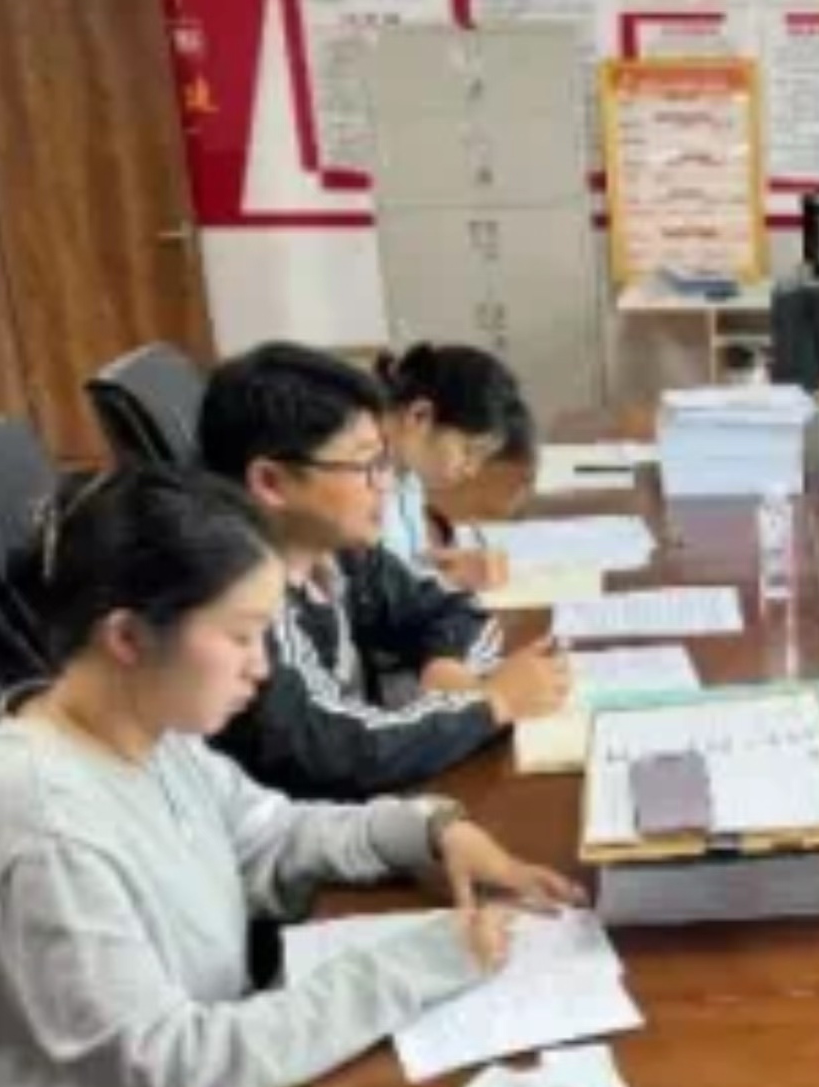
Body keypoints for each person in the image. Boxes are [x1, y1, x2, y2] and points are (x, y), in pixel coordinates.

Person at [0, 465, 583, 1087]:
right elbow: (164, 1073)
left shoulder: (144, 731)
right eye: (240, 636)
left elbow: (269, 837)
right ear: (127, 637)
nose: (263, 667)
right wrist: (420, 963)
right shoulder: (44, 824)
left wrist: (428, 829)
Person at [194, 343, 570, 800]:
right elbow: (335, 749)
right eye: (366, 465)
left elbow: (445, 605)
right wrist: (492, 704)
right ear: (272, 482)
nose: (387, 484)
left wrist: (444, 662)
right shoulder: (242, 601)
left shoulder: (339, 552)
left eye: (385, 463)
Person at [371, 343, 543, 589]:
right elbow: (366, 596)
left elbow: (405, 564)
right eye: (468, 451)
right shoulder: (361, 479)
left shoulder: (406, 475)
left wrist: (446, 564)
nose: (471, 470)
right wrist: (447, 580)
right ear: (420, 416)